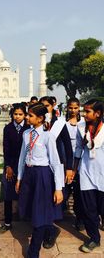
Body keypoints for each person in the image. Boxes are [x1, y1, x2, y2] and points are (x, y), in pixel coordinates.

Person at [15, 102, 64, 258]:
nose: (27, 117)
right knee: (30, 209)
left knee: (40, 212)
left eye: (30, 115)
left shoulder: (47, 136)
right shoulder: (26, 134)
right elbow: (22, 157)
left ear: (40, 118)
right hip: (29, 174)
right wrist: (19, 177)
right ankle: (50, 228)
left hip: (42, 175)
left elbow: (56, 162)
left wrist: (58, 188)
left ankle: (33, 251)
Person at [39, 96, 73, 249]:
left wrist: (69, 168)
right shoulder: (38, 124)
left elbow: (68, 147)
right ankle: (48, 229)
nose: (45, 108)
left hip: (57, 166)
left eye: (47, 106)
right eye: (42, 106)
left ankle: (50, 231)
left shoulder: (59, 124)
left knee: (55, 198)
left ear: (53, 105)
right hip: (42, 167)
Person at [73, 99, 104, 253]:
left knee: (101, 207)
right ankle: (94, 238)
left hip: (102, 174)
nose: (84, 114)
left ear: (97, 113)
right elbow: (78, 149)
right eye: (84, 111)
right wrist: (73, 169)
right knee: (89, 208)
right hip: (86, 172)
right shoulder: (80, 127)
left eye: (88, 111)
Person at [0, 103, 30, 234]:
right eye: (15, 114)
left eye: (20, 114)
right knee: (8, 195)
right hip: (11, 165)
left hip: (26, 165)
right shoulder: (8, 128)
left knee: (26, 193)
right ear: (12, 115)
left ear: (25, 115)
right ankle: (8, 222)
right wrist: (8, 166)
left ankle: (27, 218)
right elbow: (6, 148)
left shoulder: (28, 128)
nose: (18, 117)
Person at [65, 98, 84, 231]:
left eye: (75, 108)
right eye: (70, 108)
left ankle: (80, 218)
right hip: (67, 161)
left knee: (79, 192)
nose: (73, 110)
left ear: (79, 108)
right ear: (67, 108)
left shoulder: (83, 123)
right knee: (66, 189)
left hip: (81, 162)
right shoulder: (63, 124)